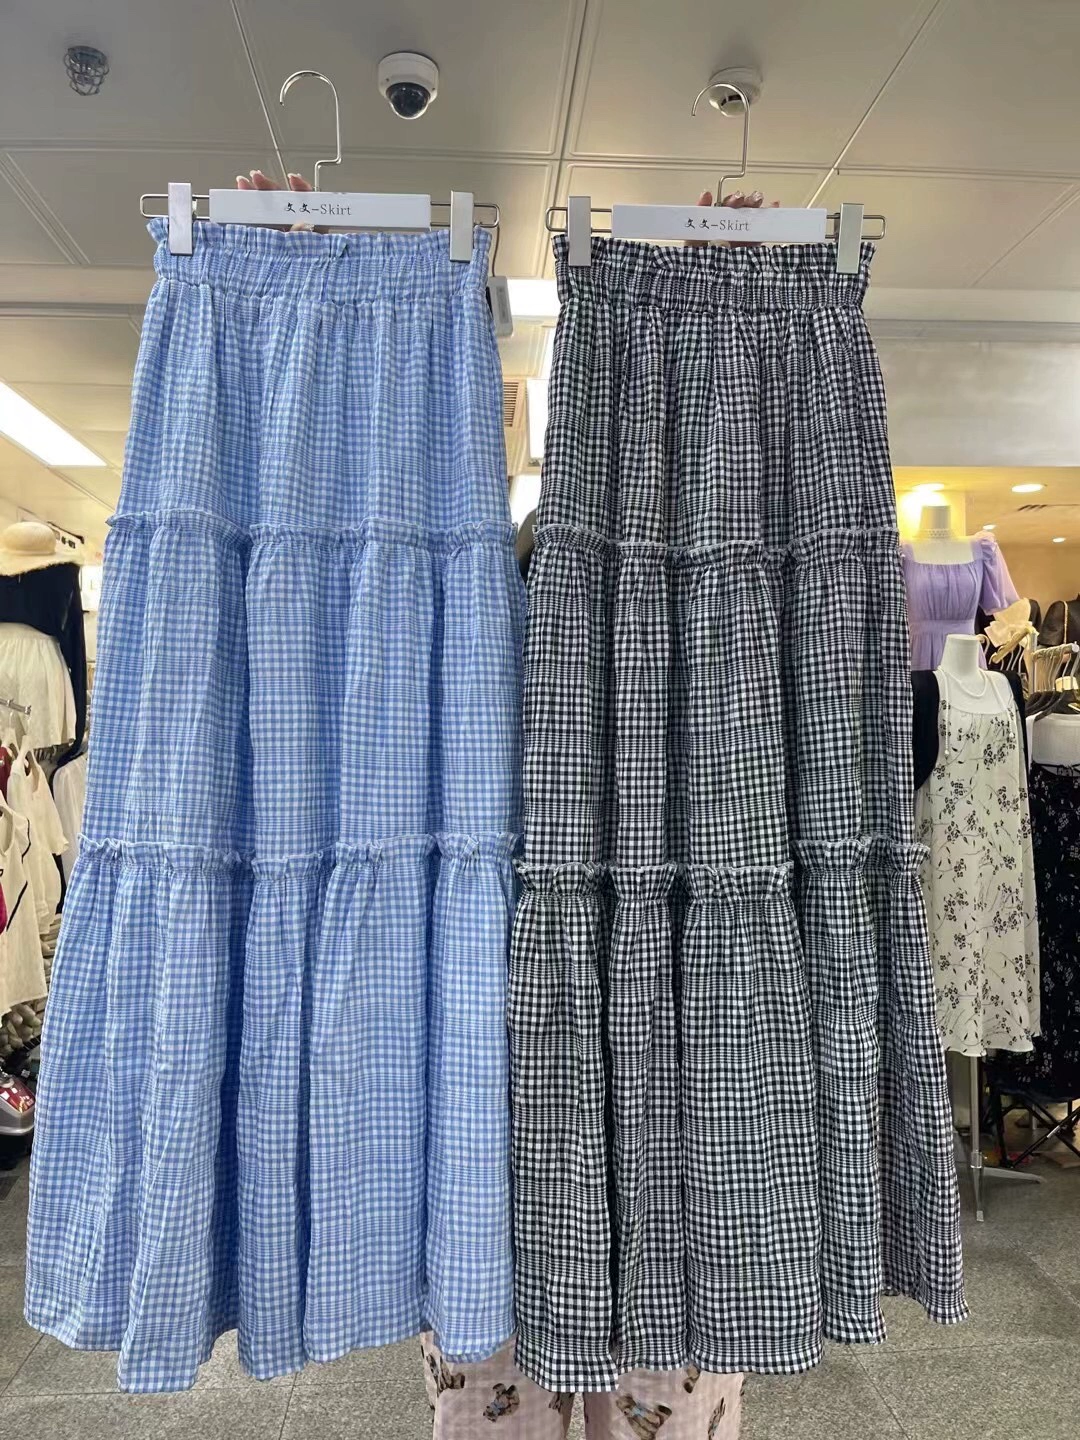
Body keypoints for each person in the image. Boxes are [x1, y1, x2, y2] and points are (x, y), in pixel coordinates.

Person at [231, 167, 756, 1437]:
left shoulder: (663, 623)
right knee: (500, 1391)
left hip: (637, 1094)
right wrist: (293, 276)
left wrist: (728, 305)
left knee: (654, 1386)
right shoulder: (451, 616)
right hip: (477, 1105)